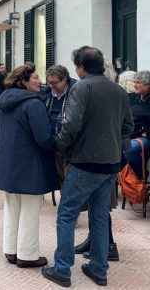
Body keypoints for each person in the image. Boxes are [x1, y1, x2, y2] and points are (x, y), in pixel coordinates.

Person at [42, 46, 133, 288]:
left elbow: (70, 124)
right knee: (100, 217)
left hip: (85, 162)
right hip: (110, 163)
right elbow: (127, 128)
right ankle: (98, 269)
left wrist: (61, 147)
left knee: (66, 214)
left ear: (81, 67)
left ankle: (62, 269)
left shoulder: (82, 87)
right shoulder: (118, 90)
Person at [0, 62, 58, 268]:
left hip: (8, 163)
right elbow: (44, 138)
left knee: (12, 209)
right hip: (30, 165)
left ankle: (11, 250)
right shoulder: (34, 104)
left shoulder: (5, 101)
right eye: (36, 78)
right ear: (24, 82)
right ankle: (27, 255)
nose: (40, 81)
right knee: (30, 210)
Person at [121, 70, 150, 180]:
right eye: (134, 82)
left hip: (144, 136)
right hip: (130, 133)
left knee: (129, 148)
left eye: (138, 82)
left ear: (147, 84)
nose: (134, 85)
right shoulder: (132, 97)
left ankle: (140, 176)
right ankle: (122, 177)